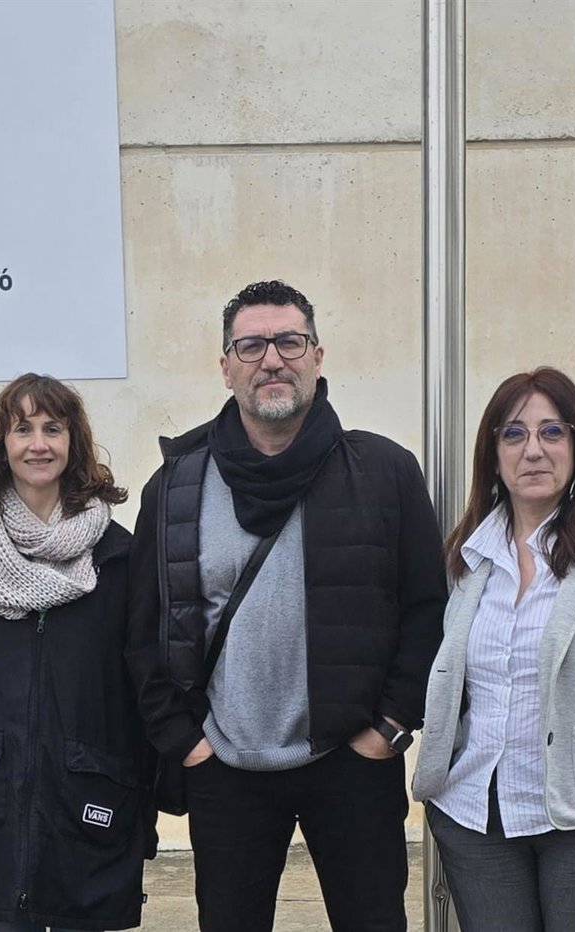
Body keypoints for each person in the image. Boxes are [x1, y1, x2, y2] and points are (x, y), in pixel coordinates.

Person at [126, 280, 448, 931]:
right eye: (251, 345)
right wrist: (186, 743)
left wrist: (388, 728)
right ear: (226, 367)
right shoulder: (176, 486)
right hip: (225, 769)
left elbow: (426, 610)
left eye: (289, 342)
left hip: (352, 763)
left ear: (317, 356)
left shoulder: (385, 472)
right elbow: (143, 632)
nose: (271, 359)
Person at [412, 367, 575, 931]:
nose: (533, 450)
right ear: (493, 454)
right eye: (514, 434)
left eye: (552, 432)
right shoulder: (468, 554)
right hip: (477, 822)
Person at [0, 374, 153, 932]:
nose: (38, 444)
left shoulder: (118, 554)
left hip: (89, 794)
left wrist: (147, 804)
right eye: (22, 429)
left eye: (53, 429)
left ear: (74, 441)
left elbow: (140, 686)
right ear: (1, 443)